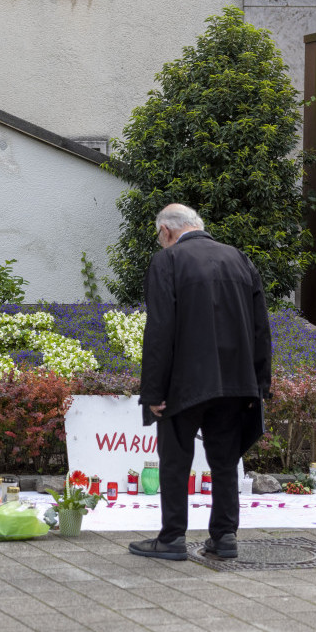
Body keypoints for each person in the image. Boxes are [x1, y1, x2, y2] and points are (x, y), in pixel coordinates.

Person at [128, 203, 271, 561]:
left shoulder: (168, 261)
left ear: (166, 231)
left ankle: (172, 538)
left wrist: (153, 392)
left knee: (175, 461)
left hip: (184, 383)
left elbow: (159, 330)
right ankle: (225, 538)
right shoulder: (239, 259)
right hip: (236, 384)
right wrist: (260, 384)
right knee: (225, 462)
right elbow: (260, 328)